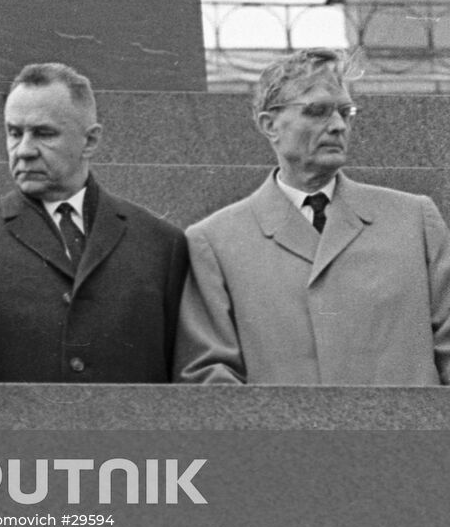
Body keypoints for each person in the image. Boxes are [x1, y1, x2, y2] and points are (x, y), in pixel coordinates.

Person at [176, 48, 450, 385]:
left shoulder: (415, 220)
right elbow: (210, 374)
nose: (338, 126)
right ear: (269, 125)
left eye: (346, 112)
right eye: (317, 111)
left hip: (413, 437)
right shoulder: (214, 241)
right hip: (284, 438)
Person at [0, 62, 188, 382]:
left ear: (91, 140)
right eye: (14, 133)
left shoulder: (162, 244)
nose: (23, 150)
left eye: (44, 133)